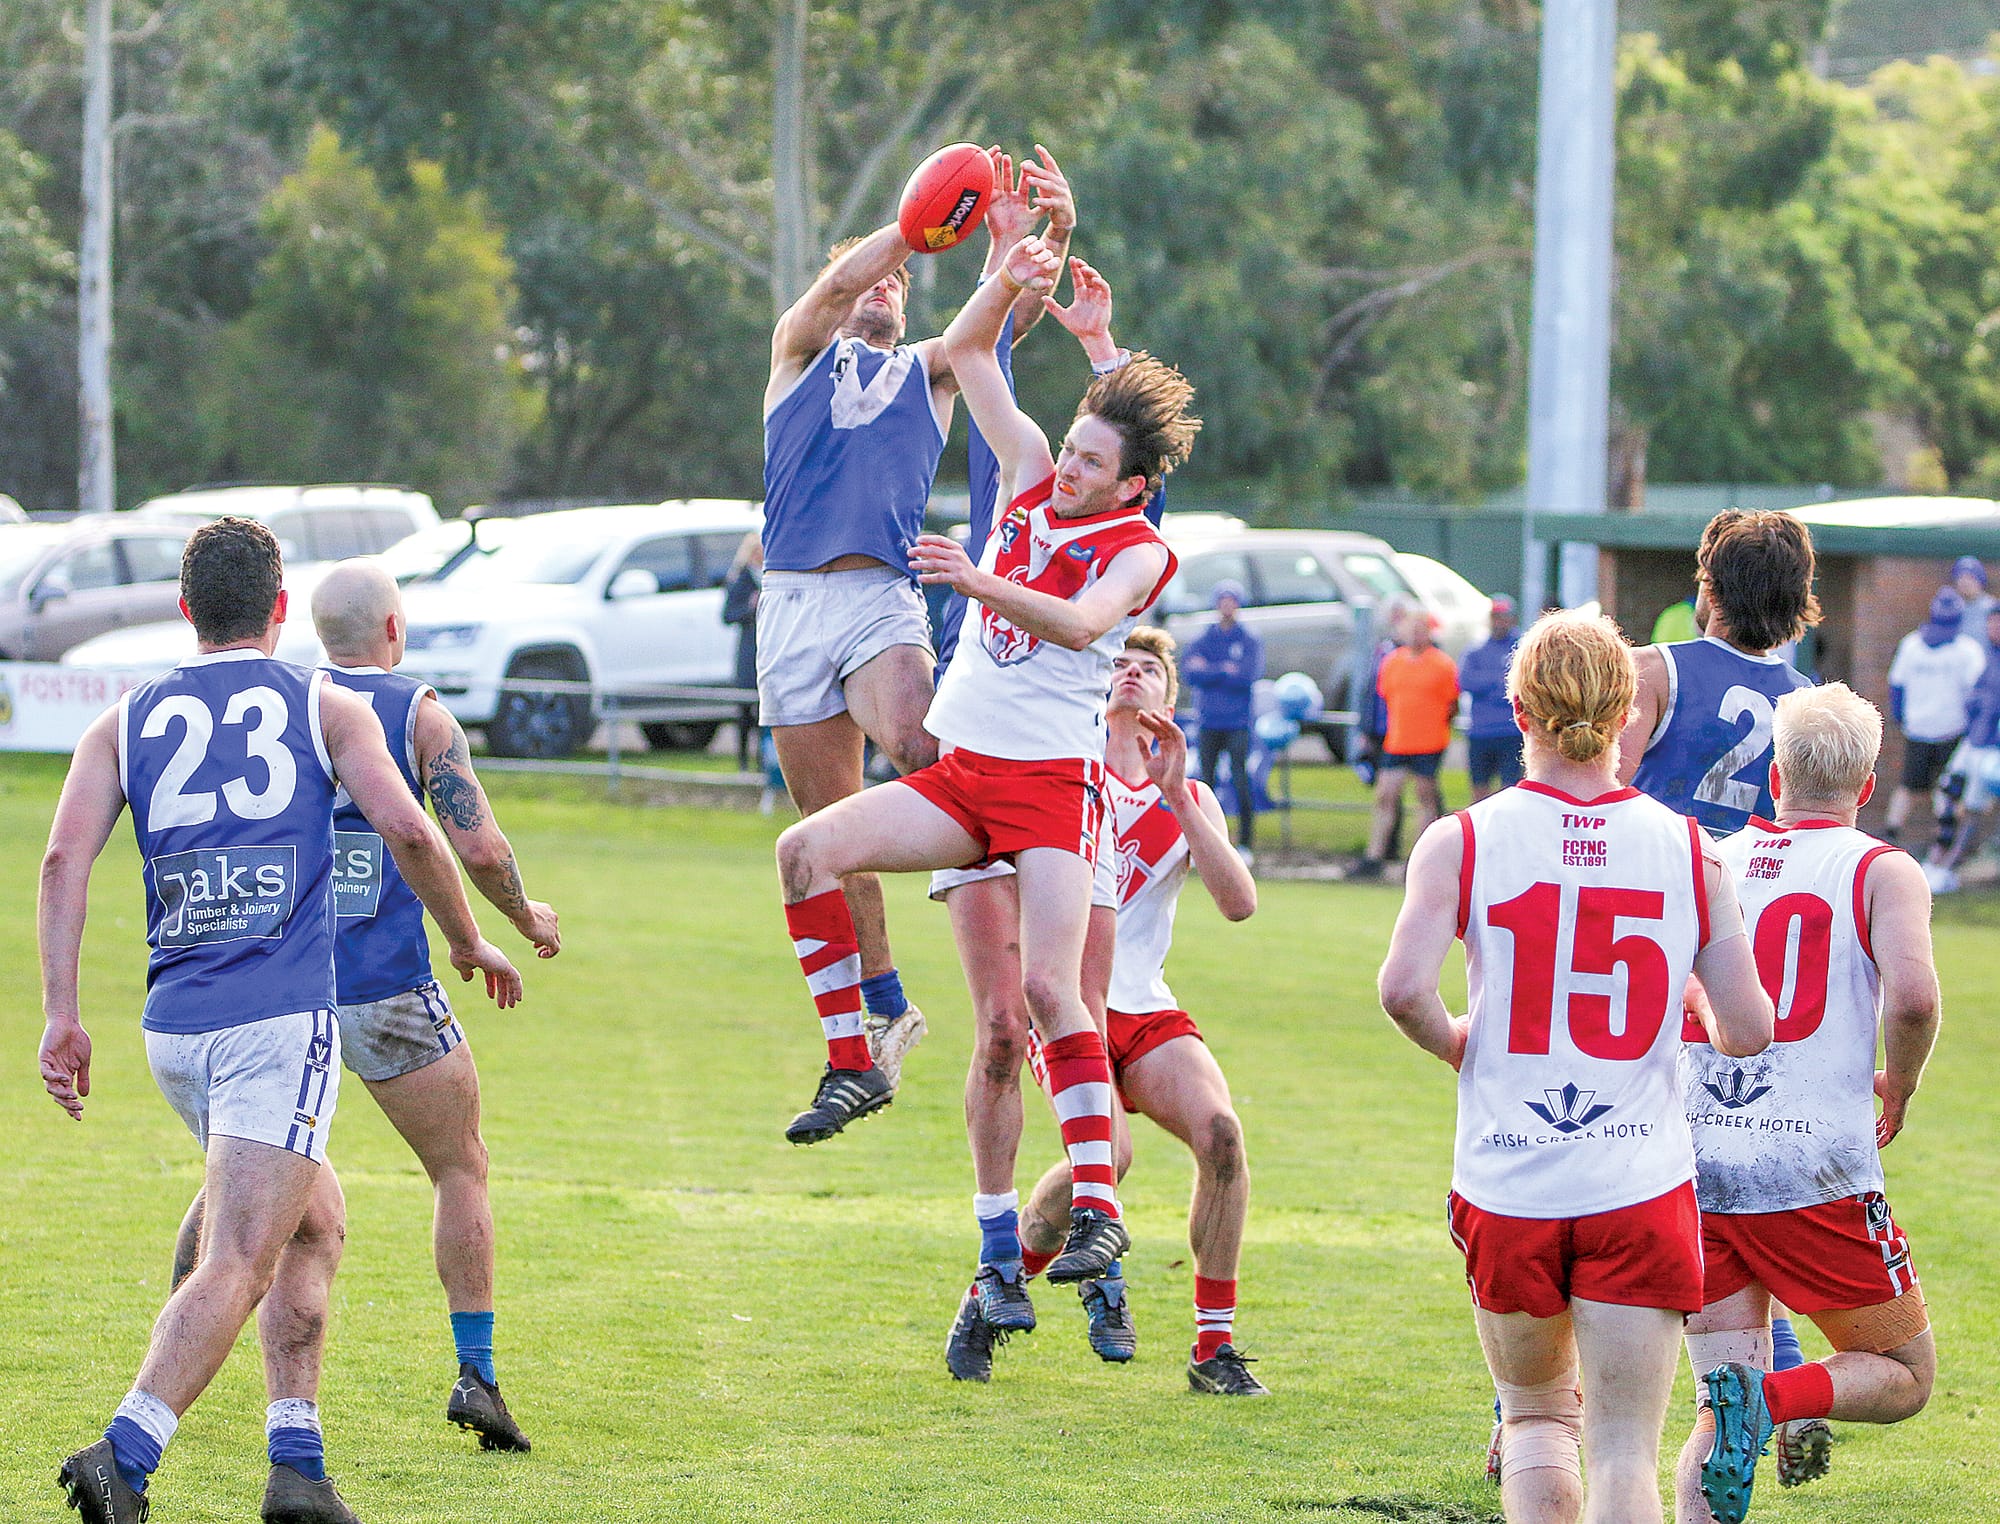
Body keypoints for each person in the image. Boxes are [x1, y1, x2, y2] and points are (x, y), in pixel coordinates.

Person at [39, 518, 521, 1524]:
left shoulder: (124, 718)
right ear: (276, 609)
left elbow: (62, 862)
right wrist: (471, 940)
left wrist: (61, 1016)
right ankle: (124, 1457)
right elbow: (405, 825)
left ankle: (296, 1466)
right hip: (276, 1024)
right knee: (242, 1258)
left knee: (316, 1219)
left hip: (173, 1028)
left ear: (184, 610)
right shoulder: (322, 701)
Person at [771, 232, 1191, 1293]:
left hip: (1053, 791)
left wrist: (974, 580)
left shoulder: (1135, 549)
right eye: (1072, 452)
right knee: (802, 852)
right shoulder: (1026, 474)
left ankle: (1095, 1209)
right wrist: (1014, 269)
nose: (1069, 470)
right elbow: (964, 349)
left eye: (1093, 464)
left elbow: (1075, 619)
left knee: (1051, 995)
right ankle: (855, 1054)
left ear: (1130, 484)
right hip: (963, 779)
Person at [1378, 609, 1772, 1524]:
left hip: (1509, 1173)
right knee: (1626, 1452)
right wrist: (1686, 1012)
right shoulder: (1688, 847)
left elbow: (1403, 990)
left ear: (1517, 710)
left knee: (1535, 1421)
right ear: (1627, 709)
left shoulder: (1461, 839)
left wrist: (1459, 1044)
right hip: (1636, 1176)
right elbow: (1750, 1029)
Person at [166, 559, 564, 1454]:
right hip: (384, 985)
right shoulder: (419, 714)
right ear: (395, 630)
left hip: (277, 984)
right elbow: (478, 844)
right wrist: (514, 919)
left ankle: (179, 1331)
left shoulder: (286, 702)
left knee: (244, 1178)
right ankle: (478, 1375)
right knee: (459, 1165)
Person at [760, 147, 1073, 1129]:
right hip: (787, 609)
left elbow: (998, 324)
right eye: (875, 276)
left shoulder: (927, 373)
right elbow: (836, 284)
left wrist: (1035, 246)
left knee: (918, 745)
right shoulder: (797, 352)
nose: (883, 287)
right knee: (826, 832)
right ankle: (877, 1020)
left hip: (878, 601)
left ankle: (1033, 906)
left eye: (901, 280)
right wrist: (911, 226)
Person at [1679, 684, 1940, 1524]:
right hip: (1809, 1171)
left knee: (1719, 1403)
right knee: (1904, 1377)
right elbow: (1912, 1000)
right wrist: (1899, 1083)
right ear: (1867, 785)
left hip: (1698, 1162)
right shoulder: (1879, 868)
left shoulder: (1709, 858)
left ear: (1776, 771)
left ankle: (1750, 1408)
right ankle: (1774, 1404)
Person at [1003, 630, 1265, 1395]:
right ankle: (997, 1283)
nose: (1130, 674)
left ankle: (1212, 1351)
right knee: (1107, 1160)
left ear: (1169, 704)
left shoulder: (1187, 794)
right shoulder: (1062, 775)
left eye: (1148, 668)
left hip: (1144, 1006)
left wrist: (1180, 795)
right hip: (1064, 1007)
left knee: (1222, 1135)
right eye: (1117, 663)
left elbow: (1240, 904)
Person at [1624, 510, 1820, 838]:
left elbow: (1601, 795)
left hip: (1657, 875)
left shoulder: (1652, 670)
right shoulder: (1807, 699)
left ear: (1712, 590)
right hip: (1749, 882)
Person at [1356, 606, 1457, 876]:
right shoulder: (1393, 662)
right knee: (1385, 795)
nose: (1415, 634)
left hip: (1429, 741)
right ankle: (1374, 856)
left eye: (1420, 629)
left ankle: (1419, 859)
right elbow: (1384, 697)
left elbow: (1451, 704)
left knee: (1425, 798)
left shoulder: (1442, 664)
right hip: (1398, 740)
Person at [1883, 586, 1987, 847]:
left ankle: (1898, 838)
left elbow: (1897, 686)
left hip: (1924, 727)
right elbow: (1976, 694)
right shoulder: (1966, 649)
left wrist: (1902, 718)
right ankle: (1939, 844)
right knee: (1943, 788)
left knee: (1916, 787)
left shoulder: (1913, 644)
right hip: (1949, 728)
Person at [1182, 580, 1264, 855]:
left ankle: (1245, 843)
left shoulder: (1247, 639)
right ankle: (1202, 843)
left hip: (1238, 722)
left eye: (1232, 601)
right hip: (1209, 721)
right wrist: (1223, 670)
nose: (1227, 606)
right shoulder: (1206, 638)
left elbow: (1246, 676)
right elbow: (1190, 672)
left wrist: (1212, 671)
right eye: (1222, 601)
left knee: (1241, 780)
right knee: (1205, 783)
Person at [1929, 604, 2000, 887]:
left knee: (1974, 803)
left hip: (1993, 747)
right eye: (1991, 623)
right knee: (1949, 789)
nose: (1993, 629)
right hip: (1974, 739)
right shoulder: (1990, 656)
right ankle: (1939, 857)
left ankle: (1952, 865)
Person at [1460, 594, 1523, 802]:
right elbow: (1466, 681)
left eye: (1503, 617)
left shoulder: (1521, 648)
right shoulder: (1475, 650)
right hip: (1481, 732)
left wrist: (1491, 682)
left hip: (1511, 730)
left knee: (1510, 790)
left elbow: (1521, 684)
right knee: (1479, 791)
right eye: (1495, 617)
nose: (1499, 622)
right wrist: (1500, 680)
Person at [1951, 555, 1994, 649]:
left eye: (1970, 578)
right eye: (1961, 578)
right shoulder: (1950, 608)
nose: (1966, 583)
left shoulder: (1993, 608)